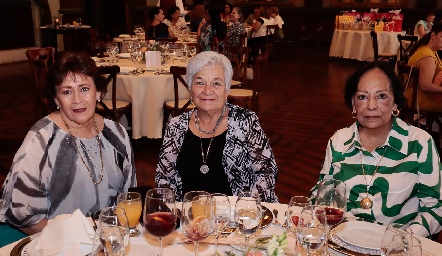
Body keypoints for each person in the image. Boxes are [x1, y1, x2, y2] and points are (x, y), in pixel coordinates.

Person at [0, 52, 136, 246]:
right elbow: (22, 214)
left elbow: (127, 199)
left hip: (108, 242)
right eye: (66, 91)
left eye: (84, 89)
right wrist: (76, 241)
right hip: (55, 246)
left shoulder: (117, 134)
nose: (77, 100)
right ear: (56, 99)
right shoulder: (42, 140)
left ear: (98, 92)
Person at [311, 61, 442, 237]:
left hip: (397, 247)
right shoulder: (339, 141)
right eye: (362, 97)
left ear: (395, 102)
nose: (371, 106)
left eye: (381, 96)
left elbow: (436, 208)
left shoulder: (419, 143)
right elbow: (320, 196)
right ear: (353, 103)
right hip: (343, 241)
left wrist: (400, 240)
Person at [155, 51, 278, 203]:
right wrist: (176, 212)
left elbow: (267, 173)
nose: (207, 90)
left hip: (238, 219)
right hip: (190, 219)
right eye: (200, 82)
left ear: (226, 89)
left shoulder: (246, 122)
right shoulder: (176, 126)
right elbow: (163, 178)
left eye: (216, 83)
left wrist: (246, 210)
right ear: (190, 88)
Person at [407, 23, 442, 112]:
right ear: (433, 35)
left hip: (415, 95)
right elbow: (425, 86)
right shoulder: (427, 57)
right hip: (419, 99)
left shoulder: (428, 49)